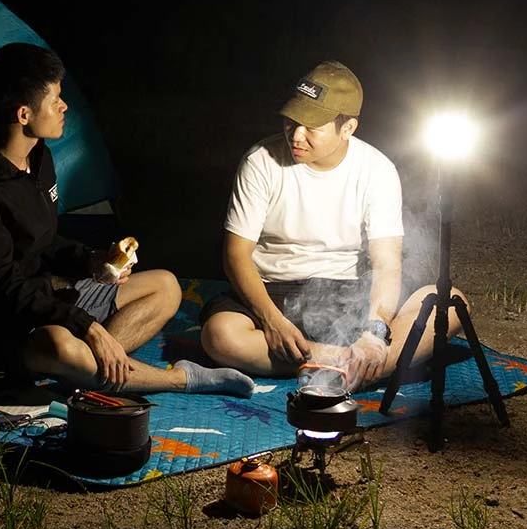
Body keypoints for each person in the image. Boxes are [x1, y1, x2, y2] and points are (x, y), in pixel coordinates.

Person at [0, 42, 254, 398]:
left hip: (41, 299)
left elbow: (42, 241)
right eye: (55, 99)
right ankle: (181, 379)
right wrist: (86, 326)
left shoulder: (38, 158)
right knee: (61, 345)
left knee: (165, 285)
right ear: (23, 114)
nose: (64, 106)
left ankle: (91, 368)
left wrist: (93, 261)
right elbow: (1, 287)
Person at [198, 59, 468, 392]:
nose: (297, 135)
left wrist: (374, 332)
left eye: (312, 127)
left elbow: (386, 264)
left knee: (448, 303)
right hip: (271, 288)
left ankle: (359, 362)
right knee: (220, 336)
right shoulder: (261, 161)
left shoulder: (376, 169)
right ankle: (358, 367)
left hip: (348, 292)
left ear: (348, 128)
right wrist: (272, 320)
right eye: (292, 121)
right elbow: (236, 255)